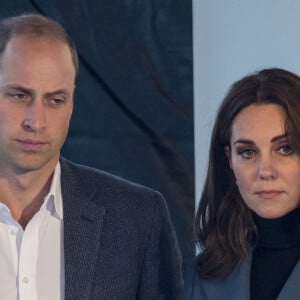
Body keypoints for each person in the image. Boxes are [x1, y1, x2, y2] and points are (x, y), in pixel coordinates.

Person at [0, 13, 183, 299]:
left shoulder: (137, 219)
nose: (36, 121)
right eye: (19, 96)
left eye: (55, 100)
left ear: (71, 104)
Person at [188, 68, 300, 300]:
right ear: (229, 158)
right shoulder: (204, 273)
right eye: (247, 152)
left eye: (285, 148)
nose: (265, 171)